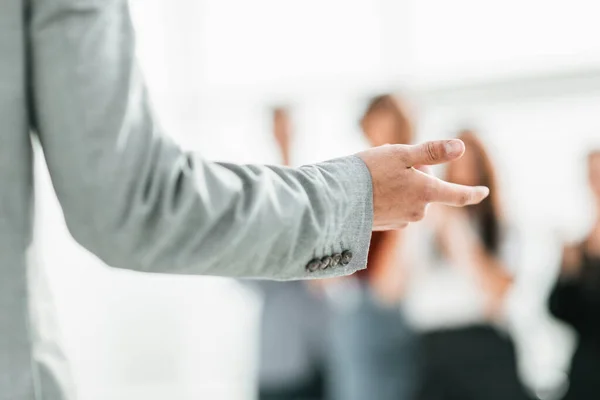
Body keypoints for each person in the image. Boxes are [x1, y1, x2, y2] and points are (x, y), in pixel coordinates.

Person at [1, 1, 488, 399]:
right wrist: (356, 195)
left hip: (353, 355)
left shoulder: (420, 209)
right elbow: (131, 203)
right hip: (305, 355)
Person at [405, 131, 532, 400]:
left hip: (484, 347)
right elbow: (389, 289)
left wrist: (457, 232)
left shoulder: (502, 228)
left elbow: (497, 294)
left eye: (473, 165)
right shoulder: (426, 227)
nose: (465, 173)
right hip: (433, 350)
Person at [324, 95, 420, 400]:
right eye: (373, 128)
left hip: (396, 308)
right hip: (356, 310)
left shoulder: (415, 179)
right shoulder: (356, 183)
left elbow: (388, 280)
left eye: (386, 127)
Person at [256, 107, 329, 400]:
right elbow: (247, 273)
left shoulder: (321, 194)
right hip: (280, 360)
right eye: (280, 128)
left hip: (326, 352)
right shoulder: (260, 203)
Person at [548, 150, 600, 400]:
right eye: (593, 175)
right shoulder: (578, 248)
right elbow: (556, 309)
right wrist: (567, 273)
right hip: (587, 373)